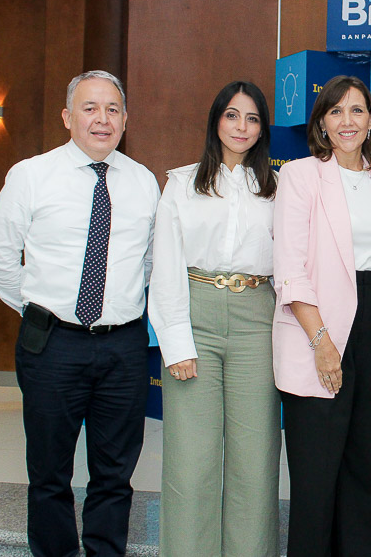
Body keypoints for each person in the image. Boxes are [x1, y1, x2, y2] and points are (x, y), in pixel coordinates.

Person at [0, 70, 160, 557]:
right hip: (52, 344)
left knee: (115, 473)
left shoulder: (144, 183)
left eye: (112, 110)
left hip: (124, 346)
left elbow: (148, 263)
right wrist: (38, 306)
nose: (102, 119)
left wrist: (117, 303)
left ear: (125, 120)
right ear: (67, 117)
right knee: (49, 472)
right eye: (90, 108)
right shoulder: (30, 175)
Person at [148, 81, 280, 556]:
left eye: (252, 118)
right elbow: (165, 265)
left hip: (257, 320)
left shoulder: (277, 188)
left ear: (263, 128)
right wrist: (176, 342)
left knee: (255, 459)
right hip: (195, 313)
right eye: (231, 115)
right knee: (192, 459)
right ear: (215, 121)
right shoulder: (182, 183)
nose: (241, 127)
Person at [272, 75, 371, 557]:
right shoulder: (300, 175)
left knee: (368, 467)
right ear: (322, 123)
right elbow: (289, 267)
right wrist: (322, 342)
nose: (348, 121)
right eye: (336, 111)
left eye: (358, 110)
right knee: (317, 477)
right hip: (317, 326)